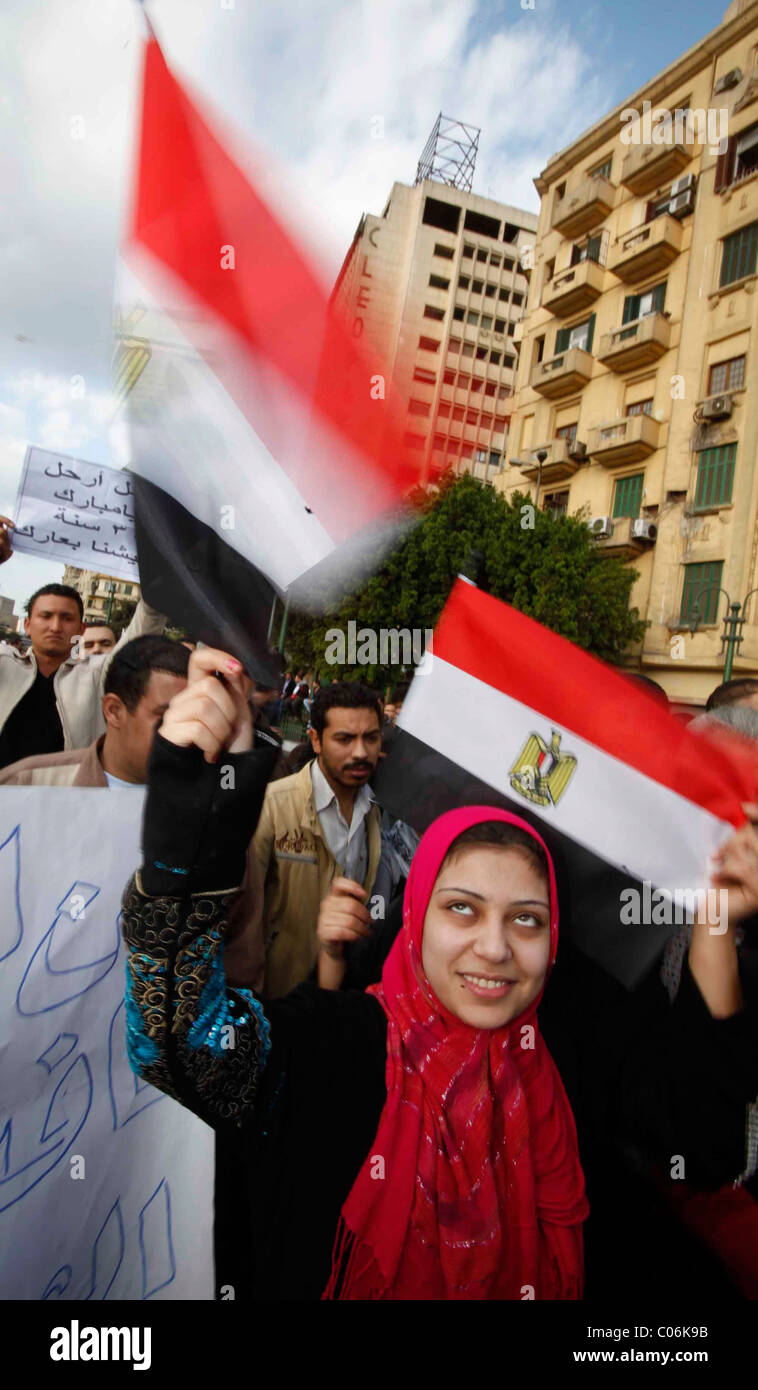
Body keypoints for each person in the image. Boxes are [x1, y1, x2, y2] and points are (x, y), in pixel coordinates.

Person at [121, 650, 758, 1300]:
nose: (494, 947)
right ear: (415, 916)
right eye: (462, 909)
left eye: (528, 920)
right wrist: (185, 840)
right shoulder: (340, 1045)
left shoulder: (576, 1053)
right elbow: (180, 1048)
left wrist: (713, 928)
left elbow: (702, 1141)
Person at [251, 680, 384, 996]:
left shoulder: (376, 813)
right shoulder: (271, 807)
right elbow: (241, 920)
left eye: (371, 738)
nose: (361, 752)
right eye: (344, 739)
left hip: (335, 999)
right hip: (272, 999)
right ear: (315, 740)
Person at [0, 575, 164, 769]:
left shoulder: (97, 673)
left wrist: (157, 580)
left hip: (71, 794)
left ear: (81, 628)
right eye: (46, 616)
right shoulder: (5, 663)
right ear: (27, 625)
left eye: (67, 618)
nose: (55, 627)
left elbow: (143, 631)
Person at [0, 635, 189, 788]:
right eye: (167, 718)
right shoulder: (27, 783)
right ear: (113, 710)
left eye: (194, 718)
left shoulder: (212, 794)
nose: (187, 735)